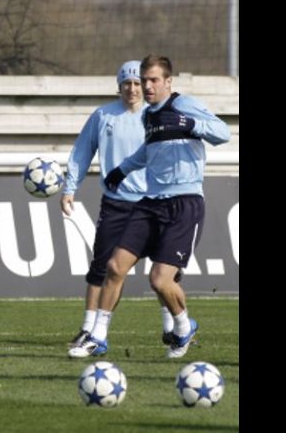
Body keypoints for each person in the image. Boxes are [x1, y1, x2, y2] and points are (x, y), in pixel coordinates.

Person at [68, 54, 230, 359]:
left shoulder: (184, 105)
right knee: (115, 267)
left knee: (159, 280)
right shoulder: (148, 116)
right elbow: (149, 150)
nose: (147, 86)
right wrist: (124, 169)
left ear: (168, 81)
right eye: (145, 80)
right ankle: (98, 337)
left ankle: (183, 325)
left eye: (154, 80)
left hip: (184, 203)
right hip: (150, 202)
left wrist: (190, 123)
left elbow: (222, 133)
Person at [62, 60, 178, 351]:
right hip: (116, 205)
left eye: (138, 82)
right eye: (127, 83)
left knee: (163, 269)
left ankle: (172, 327)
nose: (133, 88)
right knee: (102, 268)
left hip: (154, 202)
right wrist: (69, 188)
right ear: (119, 86)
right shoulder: (103, 116)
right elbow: (81, 152)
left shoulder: (158, 116)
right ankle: (89, 328)